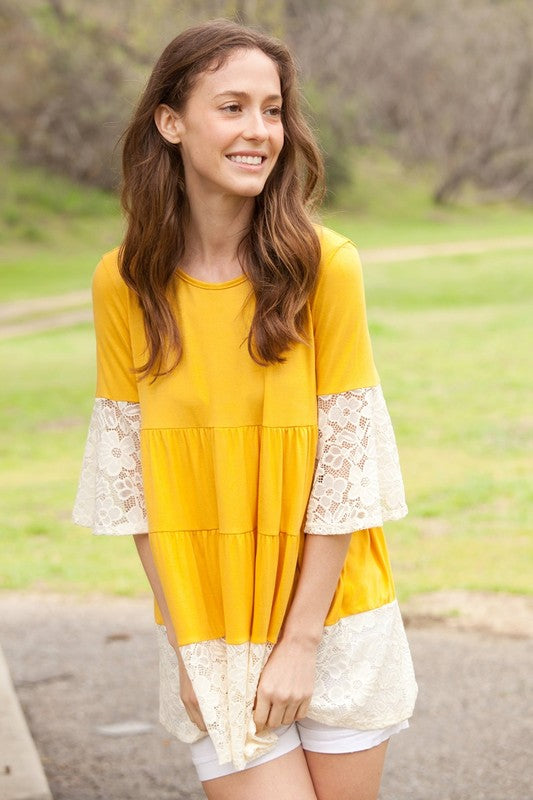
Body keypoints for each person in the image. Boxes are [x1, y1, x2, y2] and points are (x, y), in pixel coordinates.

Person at [73, 17, 417, 800]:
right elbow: (133, 485)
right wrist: (188, 643)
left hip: (332, 622)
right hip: (212, 623)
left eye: (272, 110)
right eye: (231, 107)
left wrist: (299, 644)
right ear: (170, 122)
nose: (258, 131)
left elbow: (345, 470)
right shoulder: (121, 284)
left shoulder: (324, 266)